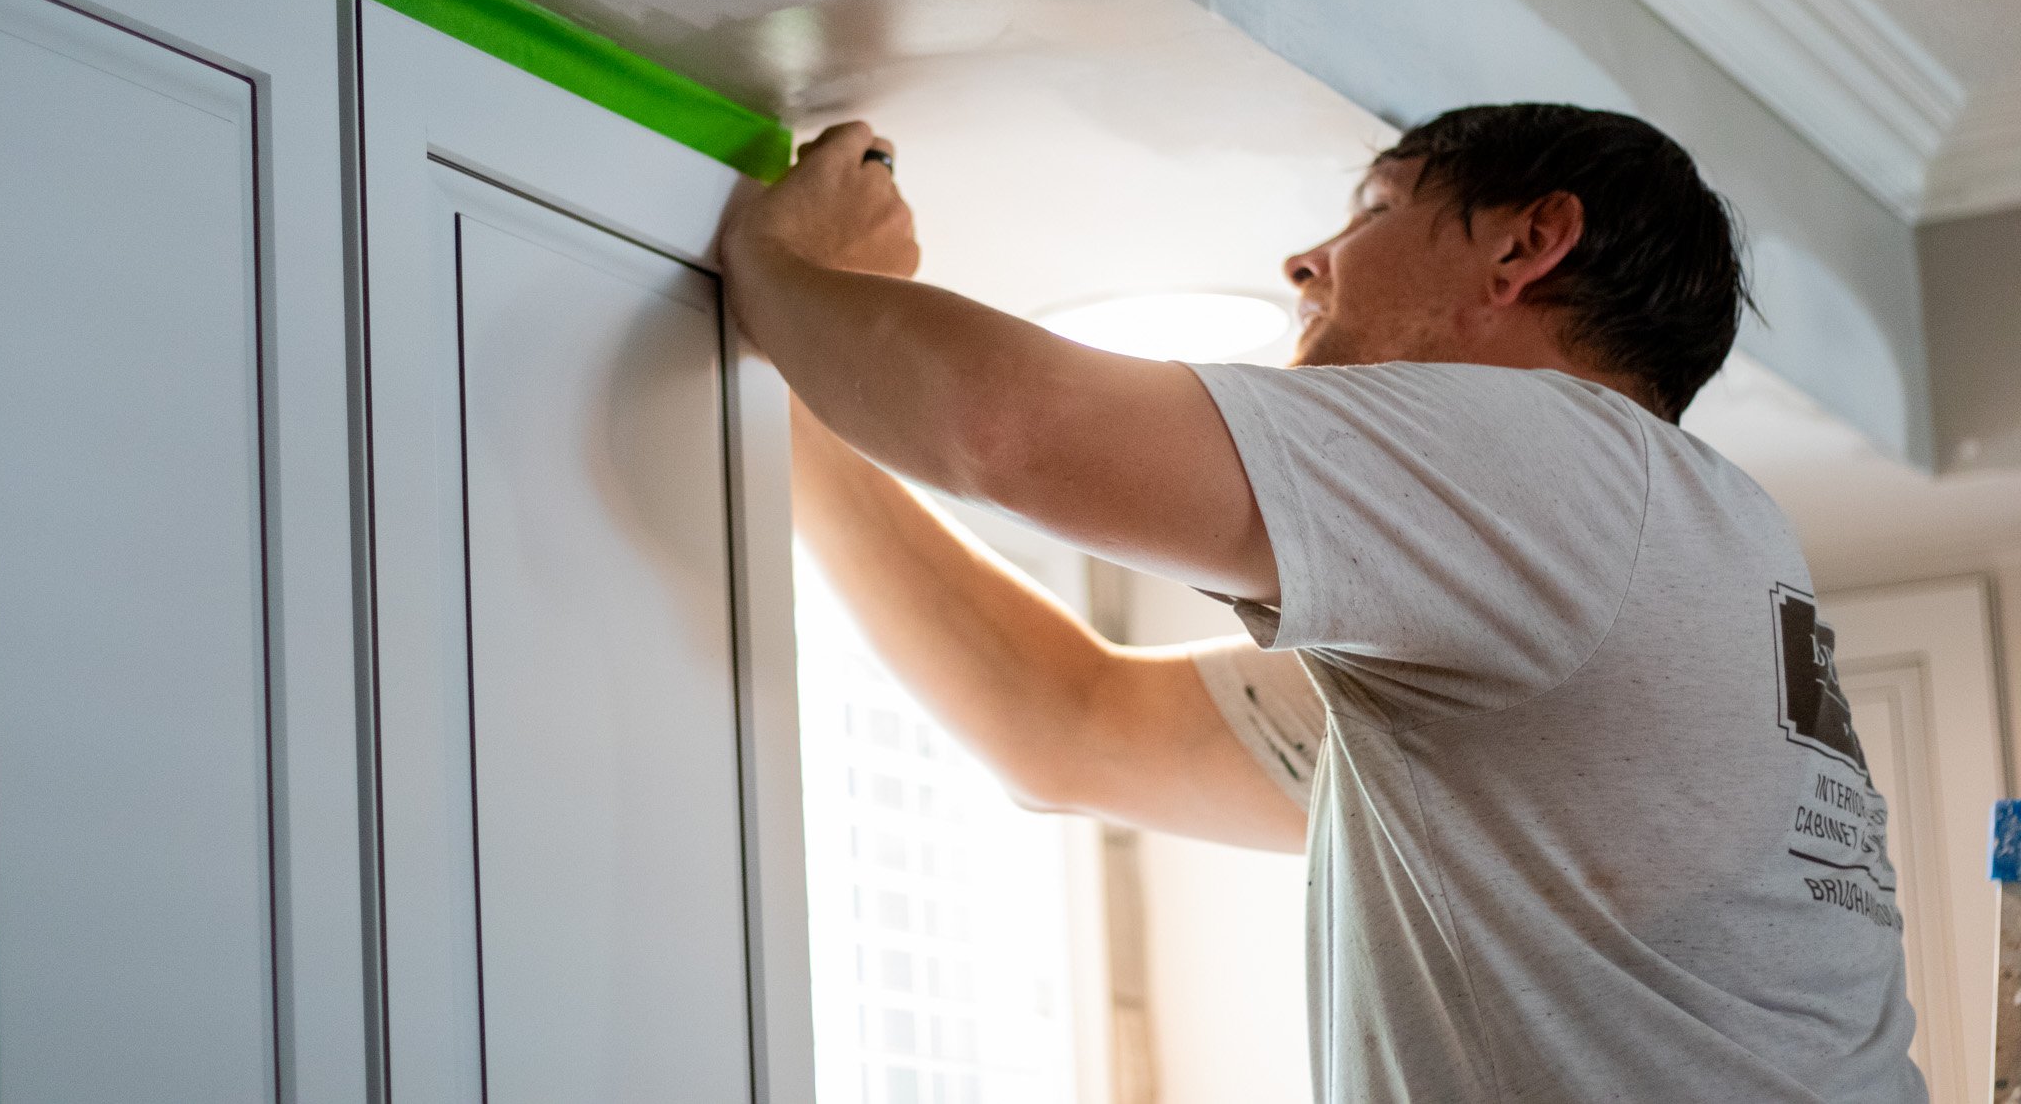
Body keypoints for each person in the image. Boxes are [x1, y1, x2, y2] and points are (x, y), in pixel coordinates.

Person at [717, 103, 1925, 1103]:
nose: (1306, 262)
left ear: (1526, 247)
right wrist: (790, 389)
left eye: (1375, 208)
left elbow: (1010, 428)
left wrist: (781, 270)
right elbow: (1066, 724)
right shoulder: (1579, 595)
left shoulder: (1567, 466)